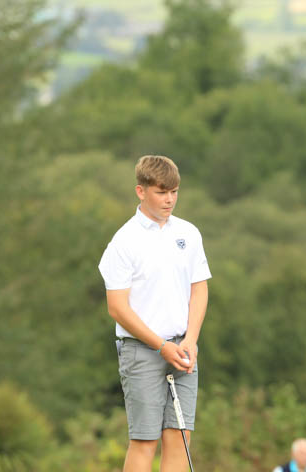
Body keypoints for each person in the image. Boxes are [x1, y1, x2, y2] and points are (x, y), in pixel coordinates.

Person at [98, 155, 211, 471]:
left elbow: (199, 289)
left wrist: (191, 339)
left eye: (174, 192)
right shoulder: (124, 242)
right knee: (145, 440)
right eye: (162, 192)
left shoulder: (189, 233)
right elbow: (117, 307)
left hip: (183, 349)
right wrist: (161, 346)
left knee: (180, 437)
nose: (170, 199)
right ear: (141, 191)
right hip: (142, 352)